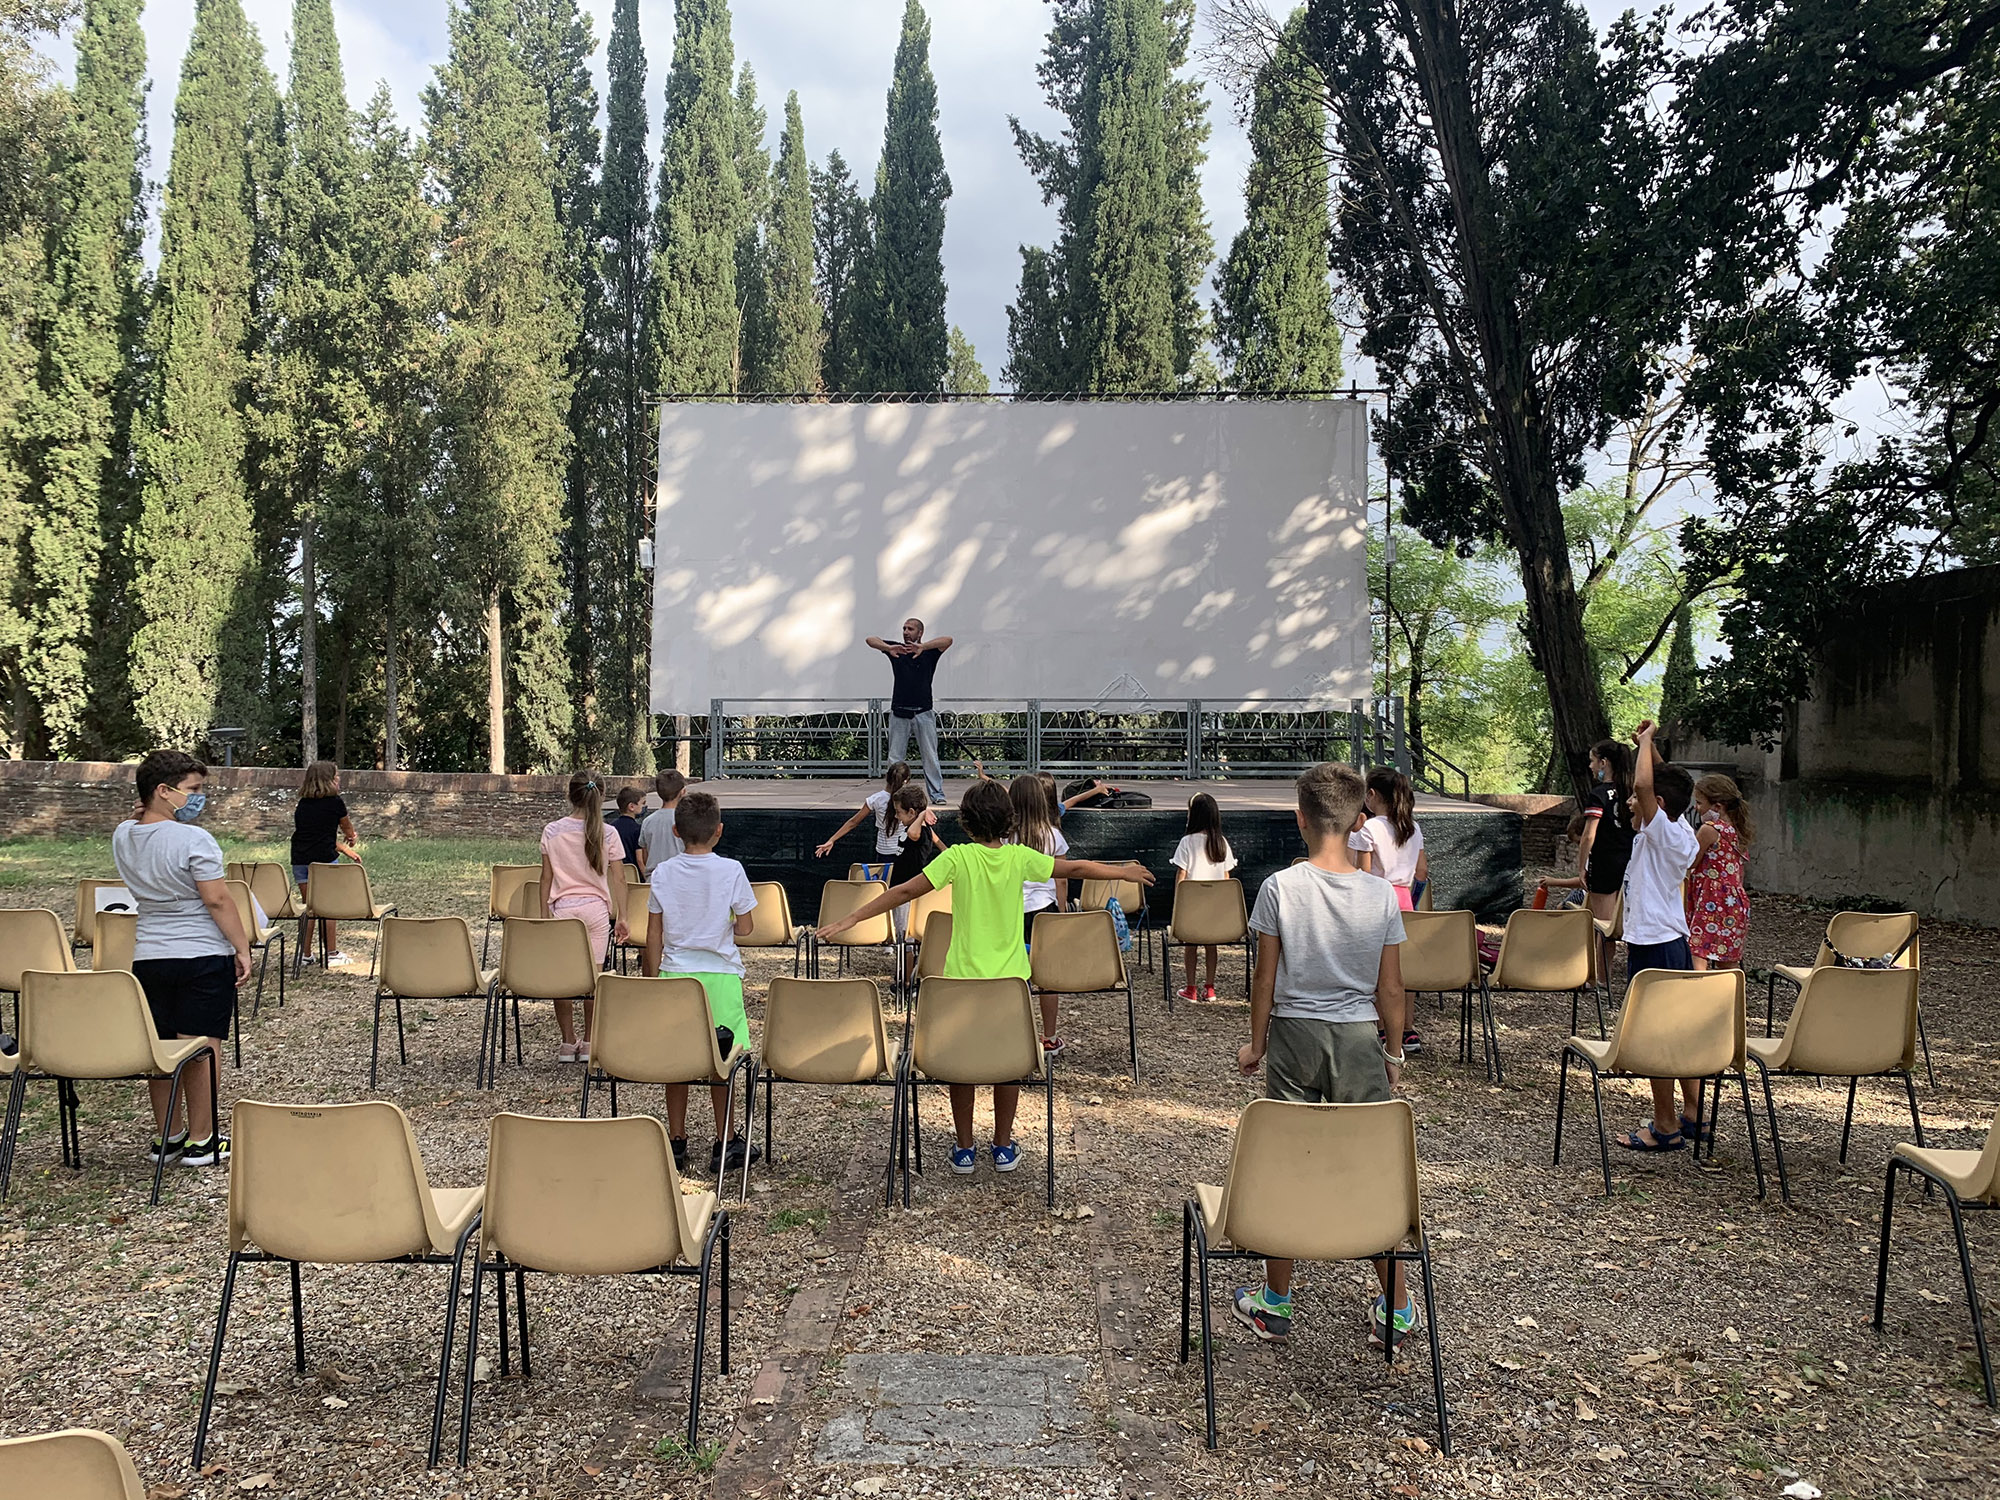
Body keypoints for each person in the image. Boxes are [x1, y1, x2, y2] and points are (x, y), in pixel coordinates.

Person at [819, 780, 1152, 1175]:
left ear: (966, 821)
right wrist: (1123, 872)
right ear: (1008, 820)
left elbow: (904, 892)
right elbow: (1076, 868)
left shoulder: (957, 858)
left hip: (960, 984)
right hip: (1009, 986)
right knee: (1008, 1064)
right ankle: (1003, 1145)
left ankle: (964, 1148)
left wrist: (852, 918)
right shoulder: (1019, 857)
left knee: (961, 1064)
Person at [1233, 762, 1410, 1350]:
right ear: (1359, 820)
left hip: (1294, 1036)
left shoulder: (1280, 887)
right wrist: (1392, 1053)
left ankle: (1276, 1299)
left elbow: (1265, 978)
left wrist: (1257, 1043)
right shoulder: (1379, 893)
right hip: (1358, 1038)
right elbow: (1391, 988)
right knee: (1368, 1162)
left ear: (1300, 819)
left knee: (1288, 1158)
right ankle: (1397, 1305)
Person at [112, 750, 252, 1169]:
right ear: (164, 790)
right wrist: (241, 946)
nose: (199, 797)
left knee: (162, 1049)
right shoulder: (194, 839)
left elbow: (135, 824)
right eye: (193, 789)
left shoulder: (123, 835)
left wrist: (144, 813)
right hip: (201, 953)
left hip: (149, 955)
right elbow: (217, 898)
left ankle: (168, 1136)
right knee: (202, 1047)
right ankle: (202, 1138)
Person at [642, 792, 761, 1175]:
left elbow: (654, 934)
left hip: (676, 975)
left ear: (676, 831)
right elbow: (746, 926)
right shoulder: (732, 870)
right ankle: (725, 1140)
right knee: (722, 1063)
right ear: (719, 831)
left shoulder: (662, 873)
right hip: (720, 977)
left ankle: (677, 1140)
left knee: (677, 1060)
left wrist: (652, 980)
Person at [1614, 721, 1703, 1154]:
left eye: (1637, 798)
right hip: (1672, 942)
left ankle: (1665, 1125)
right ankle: (1695, 1114)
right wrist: (1649, 751)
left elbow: (1647, 786)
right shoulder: (1679, 827)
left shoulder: (1661, 829)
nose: (1631, 800)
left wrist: (1647, 742)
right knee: (1679, 1033)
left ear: (1657, 805)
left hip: (1654, 945)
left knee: (1657, 1037)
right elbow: (1665, 783)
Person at [539, 770, 629, 1064]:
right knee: (593, 978)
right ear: (601, 797)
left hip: (564, 908)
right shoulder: (609, 832)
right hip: (596, 909)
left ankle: (567, 1042)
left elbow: (546, 878)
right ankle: (589, 1041)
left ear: (569, 795)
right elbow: (620, 879)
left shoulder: (552, 831)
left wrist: (544, 914)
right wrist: (623, 915)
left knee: (563, 978)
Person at [1540, 740, 1637, 974]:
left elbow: (1589, 834)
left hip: (1604, 865)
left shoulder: (1599, 794)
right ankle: (1635, 973)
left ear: (1604, 763)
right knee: (1631, 925)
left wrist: (1582, 865)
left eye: (1593, 761)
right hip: (1633, 863)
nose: (1591, 767)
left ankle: (1601, 978)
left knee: (1604, 927)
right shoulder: (1633, 792)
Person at [1351, 768, 1429, 1054]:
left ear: (1371, 795)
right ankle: (1407, 1030)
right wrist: (1412, 898)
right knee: (1402, 970)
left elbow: (1363, 873)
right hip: (1404, 900)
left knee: (1376, 971)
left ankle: (1382, 1029)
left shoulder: (1369, 828)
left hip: (1375, 900)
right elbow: (1422, 872)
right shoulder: (1413, 828)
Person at [1011, 775, 1069, 1054]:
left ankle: (1016, 1033)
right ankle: (1049, 1037)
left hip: (1012, 911)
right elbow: (1062, 879)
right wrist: (1062, 911)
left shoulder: (1004, 838)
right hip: (1045, 911)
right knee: (1047, 977)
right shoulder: (1054, 836)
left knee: (1013, 973)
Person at [867, 618, 952, 805]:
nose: (906, 632)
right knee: (895, 758)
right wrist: (889, 648)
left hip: (923, 712)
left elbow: (948, 640)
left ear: (920, 633)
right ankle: (892, 794)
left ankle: (937, 794)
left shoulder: (929, 652)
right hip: (900, 712)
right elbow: (870, 640)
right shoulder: (897, 650)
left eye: (910, 629)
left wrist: (923, 647)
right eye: (904, 628)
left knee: (930, 756)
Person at [290, 759, 361, 966]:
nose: (339, 780)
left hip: (301, 860)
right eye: (336, 777)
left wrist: (344, 848)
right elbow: (346, 827)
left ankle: (305, 954)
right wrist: (351, 838)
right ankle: (331, 952)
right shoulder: (335, 803)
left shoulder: (303, 805)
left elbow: (316, 835)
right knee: (329, 907)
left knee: (309, 907)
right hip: (325, 862)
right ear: (329, 780)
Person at [1170, 792, 1238, 1004]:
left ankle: (1190, 987)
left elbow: (1181, 876)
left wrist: (1178, 908)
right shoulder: (1221, 843)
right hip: (1215, 910)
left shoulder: (1187, 842)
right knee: (1211, 945)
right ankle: (1210, 988)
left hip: (1192, 909)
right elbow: (1227, 878)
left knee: (1190, 946)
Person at [1687, 774, 1753, 972]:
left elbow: (1691, 862)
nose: (1696, 808)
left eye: (1700, 803)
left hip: (1711, 899)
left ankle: (1697, 988)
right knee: (1728, 956)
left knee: (1698, 950)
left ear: (1717, 806)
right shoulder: (1738, 831)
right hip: (1734, 901)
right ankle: (1729, 991)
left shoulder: (1709, 829)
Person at [814, 761, 914, 883]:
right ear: (906, 781)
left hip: (884, 853)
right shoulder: (909, 800)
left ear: (886, 777)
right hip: (903, 851)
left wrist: (832, 840)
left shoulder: (875, 799)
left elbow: (853, 822)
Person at [634, 769, 688, 878]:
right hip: (679, 877)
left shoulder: (647, 821)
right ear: (683, 791)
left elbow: (645, 856)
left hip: (654, 878)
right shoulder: (686, 819)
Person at [607, 787, 646, 873]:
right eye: (642, 803)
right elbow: (640, 860)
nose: (644, 806)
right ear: (631, 806)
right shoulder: (637, 829)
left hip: (614, 873)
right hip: (633, 875)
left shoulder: (611, 828)